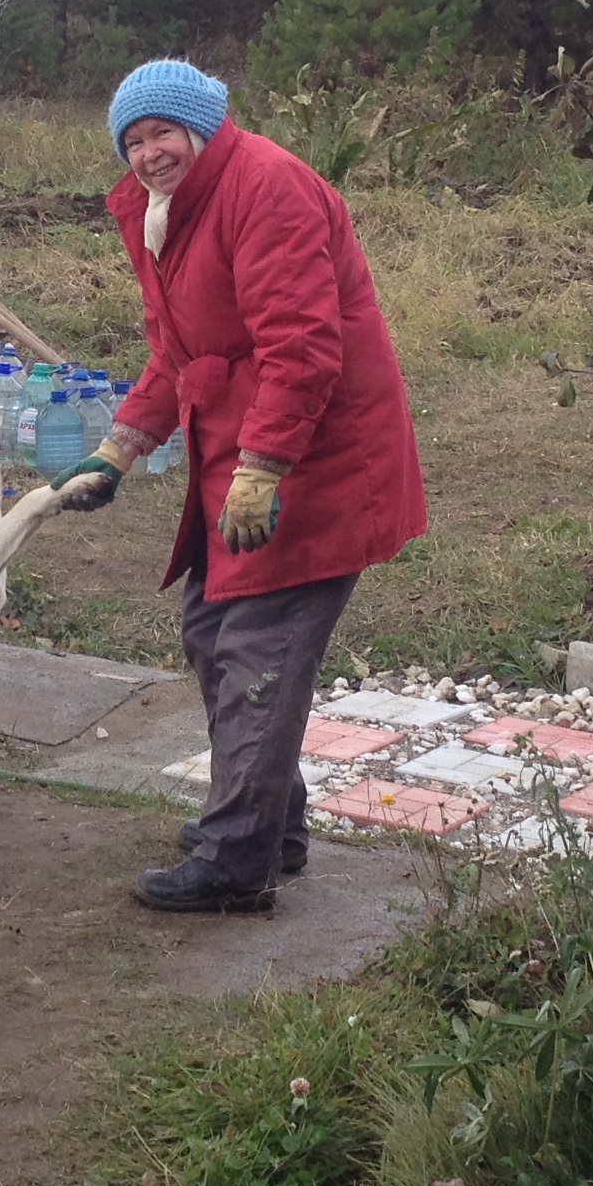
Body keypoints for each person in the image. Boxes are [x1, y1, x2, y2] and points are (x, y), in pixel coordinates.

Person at [56, 58, 429, 912]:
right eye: (134, 139)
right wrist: (118, 448)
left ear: (204, 127)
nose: (150, 153)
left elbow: (301, 346)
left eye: (164, 133)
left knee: (258, 645)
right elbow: (180, 353)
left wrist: (264, 469)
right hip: (248, 447)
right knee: (211, 627)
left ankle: (236, 863)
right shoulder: (164, 212)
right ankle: (270, 822)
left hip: (318, 455)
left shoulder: (265, 188)